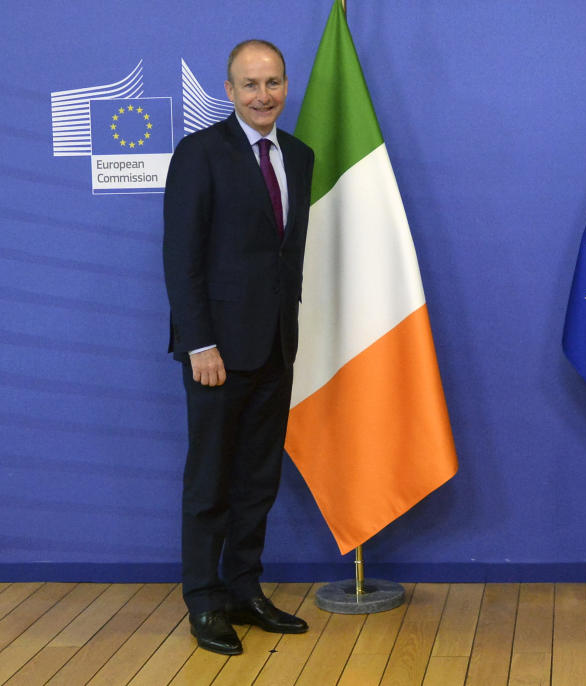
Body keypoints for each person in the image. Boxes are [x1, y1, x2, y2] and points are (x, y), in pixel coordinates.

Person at [163, 39, 314, 656]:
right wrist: (200, 343)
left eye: (273, 82)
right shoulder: (200, 153)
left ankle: (244, 589)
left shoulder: (299, 156)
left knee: (258, 478)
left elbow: (286, 256)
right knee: (210, 483)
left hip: (276, 346)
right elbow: (182, 257)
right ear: (228, 91)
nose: (263, 95)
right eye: (249, 84)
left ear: (286, 86)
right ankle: (204, 601)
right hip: (216, 355)